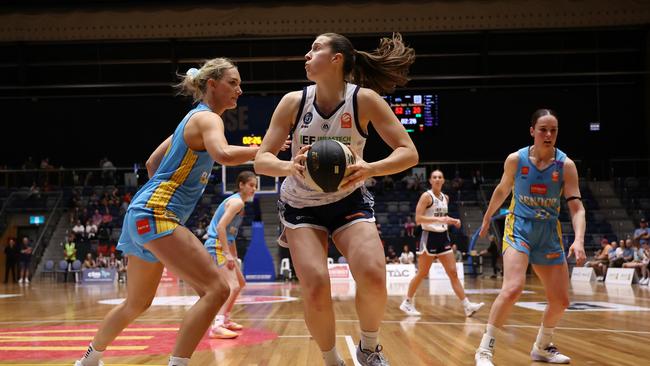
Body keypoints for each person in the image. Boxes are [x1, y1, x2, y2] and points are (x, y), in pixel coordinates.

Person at [74, 57, 259, 366]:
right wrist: (262, 148)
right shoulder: (210, 119)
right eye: (233, 82)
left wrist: (163, 191)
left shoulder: (189, 119)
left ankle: (88, 361)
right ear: (212, 84)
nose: (240, 90)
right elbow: (224, 154)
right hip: (157, 213)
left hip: (141, 213)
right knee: (216, 290)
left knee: (137, 303)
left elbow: (151, 163)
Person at [255, 32, 417, 366]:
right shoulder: (293, 102)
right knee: (315, 287)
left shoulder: (364, 100)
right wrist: (289, 166)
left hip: (349, 199)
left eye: (315, 49)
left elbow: (408, 153)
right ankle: (331, 360)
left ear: (336, 59)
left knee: (373, 274)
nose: (306, 55)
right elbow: (261, 160)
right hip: (301, 205)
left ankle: (369, 348)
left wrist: (370, 167)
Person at [474, 109, 586, 366]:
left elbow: (577, 207)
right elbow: (502, 189)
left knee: (561, 300)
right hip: (519, 227)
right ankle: (484, 350)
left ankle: (542, 346)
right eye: (543, 129)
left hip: (548, 231)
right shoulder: (516, 159)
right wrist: (486, 218)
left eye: (553, 130)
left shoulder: (565, 165)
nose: (548, 135)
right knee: (513, 288)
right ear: (532, 131)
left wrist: (578, 239)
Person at [400, 170, 484, 318]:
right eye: (434, 177)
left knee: (453, 273)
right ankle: (407, 302)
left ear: (444, 180)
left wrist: (453, 220)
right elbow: (418, 219)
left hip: (443, 237)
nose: (437, 179)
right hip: (428, 236)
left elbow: (442, 216)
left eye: (440, 177)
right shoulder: (426, 196)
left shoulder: (445, 197)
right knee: (422, 273)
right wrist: (438, 220)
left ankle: (467, 306)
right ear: (431, 181)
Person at [204, 171, 257, 339]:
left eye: (255, 186)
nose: (254, 189)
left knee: (240, 283)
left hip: (223, 246)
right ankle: (217, 325)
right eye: (251, 185)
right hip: (216, 246)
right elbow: (220, 227)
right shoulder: (236, 203)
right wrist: (226, 253)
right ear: (241, 185)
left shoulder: (239, 204)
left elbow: (230, 235)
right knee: (232, 286)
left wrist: (234, 257)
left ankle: (225, 319)